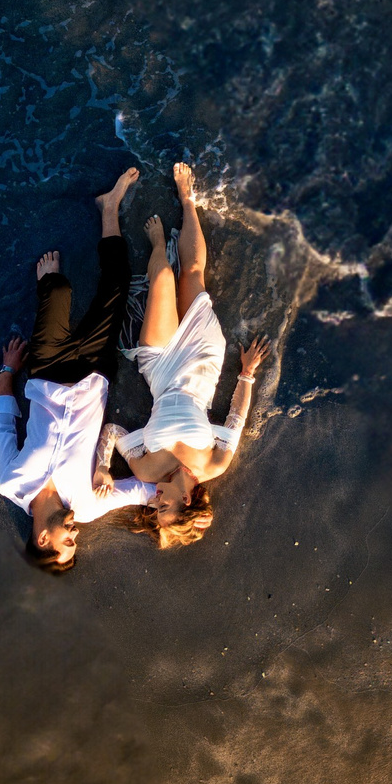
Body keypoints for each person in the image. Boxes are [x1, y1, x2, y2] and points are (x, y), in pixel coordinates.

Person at [0, 167, 158, 572]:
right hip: (94, 374)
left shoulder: (9, 482)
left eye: (67, 543)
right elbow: (143, 491)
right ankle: (109, 206)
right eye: (75, 542)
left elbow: (2, 426)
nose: (75, 536)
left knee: (58, 286)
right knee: (116, 284)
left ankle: (48, 290)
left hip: (45, 372)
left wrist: (8, 369)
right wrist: (184, 495)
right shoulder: (85, 506)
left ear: (43, 539)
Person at [116, 162, 270, 550]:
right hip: (203, 366)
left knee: (165, 278)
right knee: (193, 276)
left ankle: (156, 249)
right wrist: (247, 374)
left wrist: (103, 470)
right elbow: (235, 418)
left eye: (152, 510)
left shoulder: (147, 470)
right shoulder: (214, 465)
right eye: (162, 509)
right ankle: (188, 200)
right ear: (185, 501)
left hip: (161, 369)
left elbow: (113, 434)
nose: (153, 503)